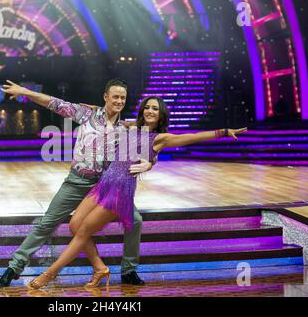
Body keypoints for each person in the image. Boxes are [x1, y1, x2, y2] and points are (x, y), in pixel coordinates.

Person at [25, 96, 247, 290]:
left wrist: (224, 132)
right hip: (102, 186)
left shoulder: (161, 139)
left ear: (161, 115)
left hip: (119, 193)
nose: (150, 111)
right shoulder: (131, 128)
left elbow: (194, 136)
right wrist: (92, 107)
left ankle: (49, 274)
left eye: (155, 109)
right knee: (74, 225)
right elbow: (109, 116)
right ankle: (100, 268)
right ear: (143, 111)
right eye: (147, 107)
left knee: (83, 231)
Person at [0, 79, 153, 287]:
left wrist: (148, 164)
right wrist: (25, 91)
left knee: (136, 221)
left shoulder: (126, 129)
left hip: (105, 188)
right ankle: (14, 267)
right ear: (106, 97)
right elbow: (53, 102)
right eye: (115, 96)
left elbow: (151, 146)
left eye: (123, 98)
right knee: (47, 223)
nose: (119, 101)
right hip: (77, 181)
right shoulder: (86, 115)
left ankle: (129, 270)